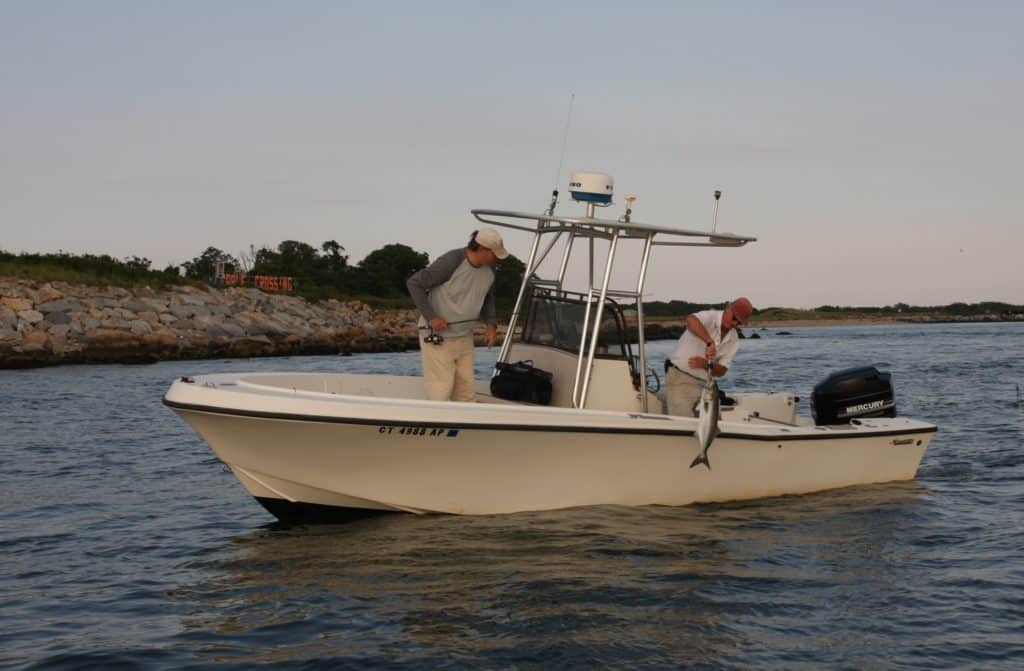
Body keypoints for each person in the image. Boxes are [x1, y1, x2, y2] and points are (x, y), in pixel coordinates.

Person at [406, 228, 509, 402]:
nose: (497, 259)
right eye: (495, 254)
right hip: (438, 337)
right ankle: (437, 423)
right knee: (441, 388)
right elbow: (414, 283)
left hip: (464, 338)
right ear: (482, 249)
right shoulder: (451, 261)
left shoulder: (490, 270)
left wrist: (491, 325)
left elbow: (487, 297)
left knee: (466, 389)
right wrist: (431, 317)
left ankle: (464, 426)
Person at [665, 297, 753, 416]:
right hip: (681, 379)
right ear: (728, 308)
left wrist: (706, 365)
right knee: (684, 425)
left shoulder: (734, 339)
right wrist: (709, 342)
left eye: (739, 323)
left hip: (707, 387)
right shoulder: (711, 316)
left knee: (713, 428)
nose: (734, 324)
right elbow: (691, 320)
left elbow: (722, 371)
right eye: (734, 318)